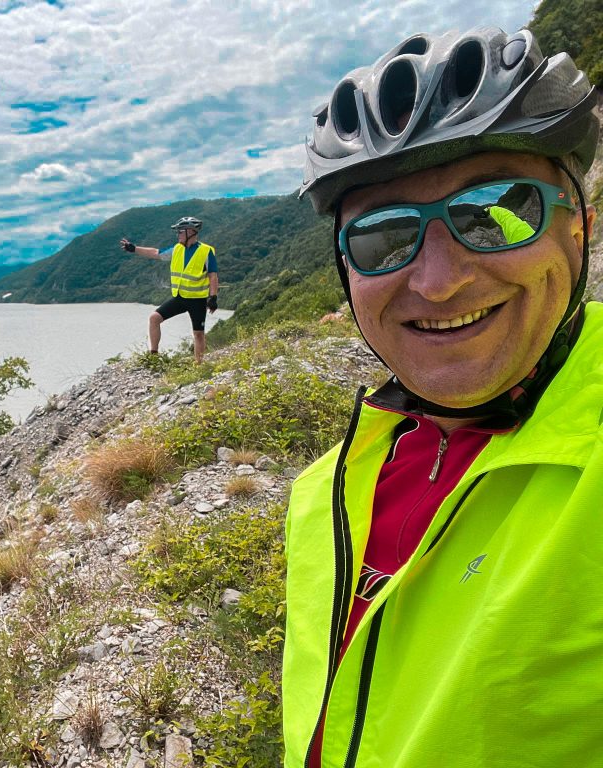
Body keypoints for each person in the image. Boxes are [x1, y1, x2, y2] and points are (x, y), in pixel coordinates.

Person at [283, 27, 601, 767]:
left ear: (579, 228)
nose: (437, 281)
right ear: (346, 272)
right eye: (383, 237)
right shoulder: (321, 492)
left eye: (495, 211)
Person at [120, 216, 218, 363]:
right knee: (154, 318)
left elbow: (213, 276)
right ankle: (154, 357)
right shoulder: (176, 249)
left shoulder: (206, 251)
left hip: (197, 300)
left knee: (198, 334)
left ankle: (199, 365)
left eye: (180, 231)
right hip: (179, 297)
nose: (178, 234)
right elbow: (156, 253)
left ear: (191, 231)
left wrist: (213, 297)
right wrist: (134, 249)